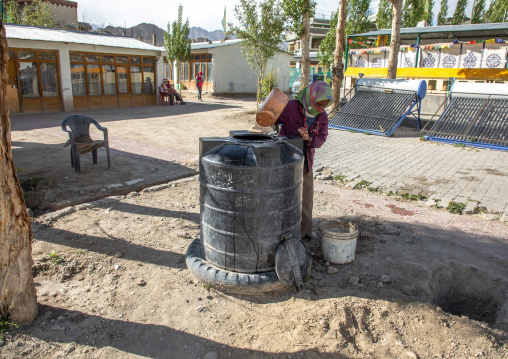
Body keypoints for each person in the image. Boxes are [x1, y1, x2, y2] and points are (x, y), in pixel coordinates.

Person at [275, 81, 333, 240]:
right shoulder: (292, 106)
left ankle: (305, 230)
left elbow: (321, 139)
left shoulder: (322, 116)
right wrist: (269, 120)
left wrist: (309, 138)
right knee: (285, 196)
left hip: (305, 160)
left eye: (325, 105)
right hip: (285, 157)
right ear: (311, 96)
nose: (322, 108)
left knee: (306, 198)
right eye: (320, 103)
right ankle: (283, 231)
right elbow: (275, 118)